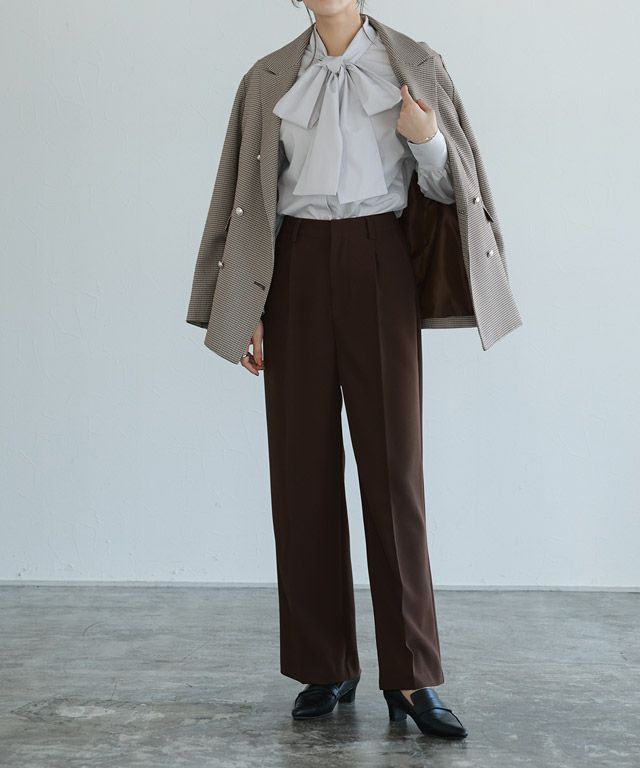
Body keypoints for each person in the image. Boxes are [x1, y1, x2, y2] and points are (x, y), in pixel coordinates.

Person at [187, 0, 523, 741]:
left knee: (394, 471)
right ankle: (324, 663)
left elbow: (453, 188)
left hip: (380, 261)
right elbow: (245, 199)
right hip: (295, 268)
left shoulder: (415, 63)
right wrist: (246, 306)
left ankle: (410, 674)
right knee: (301, 471)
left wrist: (426, 139)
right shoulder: (267, 78)